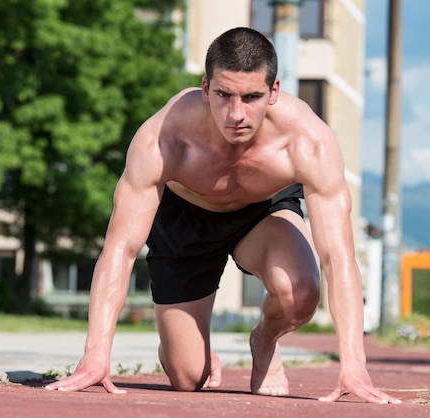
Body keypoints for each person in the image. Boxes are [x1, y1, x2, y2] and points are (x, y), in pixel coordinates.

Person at [45, 27, 400, 405]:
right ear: (205, 88)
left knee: (301, 293)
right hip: (185, 220)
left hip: (261, 213)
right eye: (223, 95)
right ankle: (191, 342)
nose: (236, 114)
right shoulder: (164, 138)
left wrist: (354, 365)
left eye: (252, 97)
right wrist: (96, 355)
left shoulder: (307, 142)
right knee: (186, 377)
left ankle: (263, 340)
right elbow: (119, 249)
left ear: (274, 92)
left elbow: (338, 258)